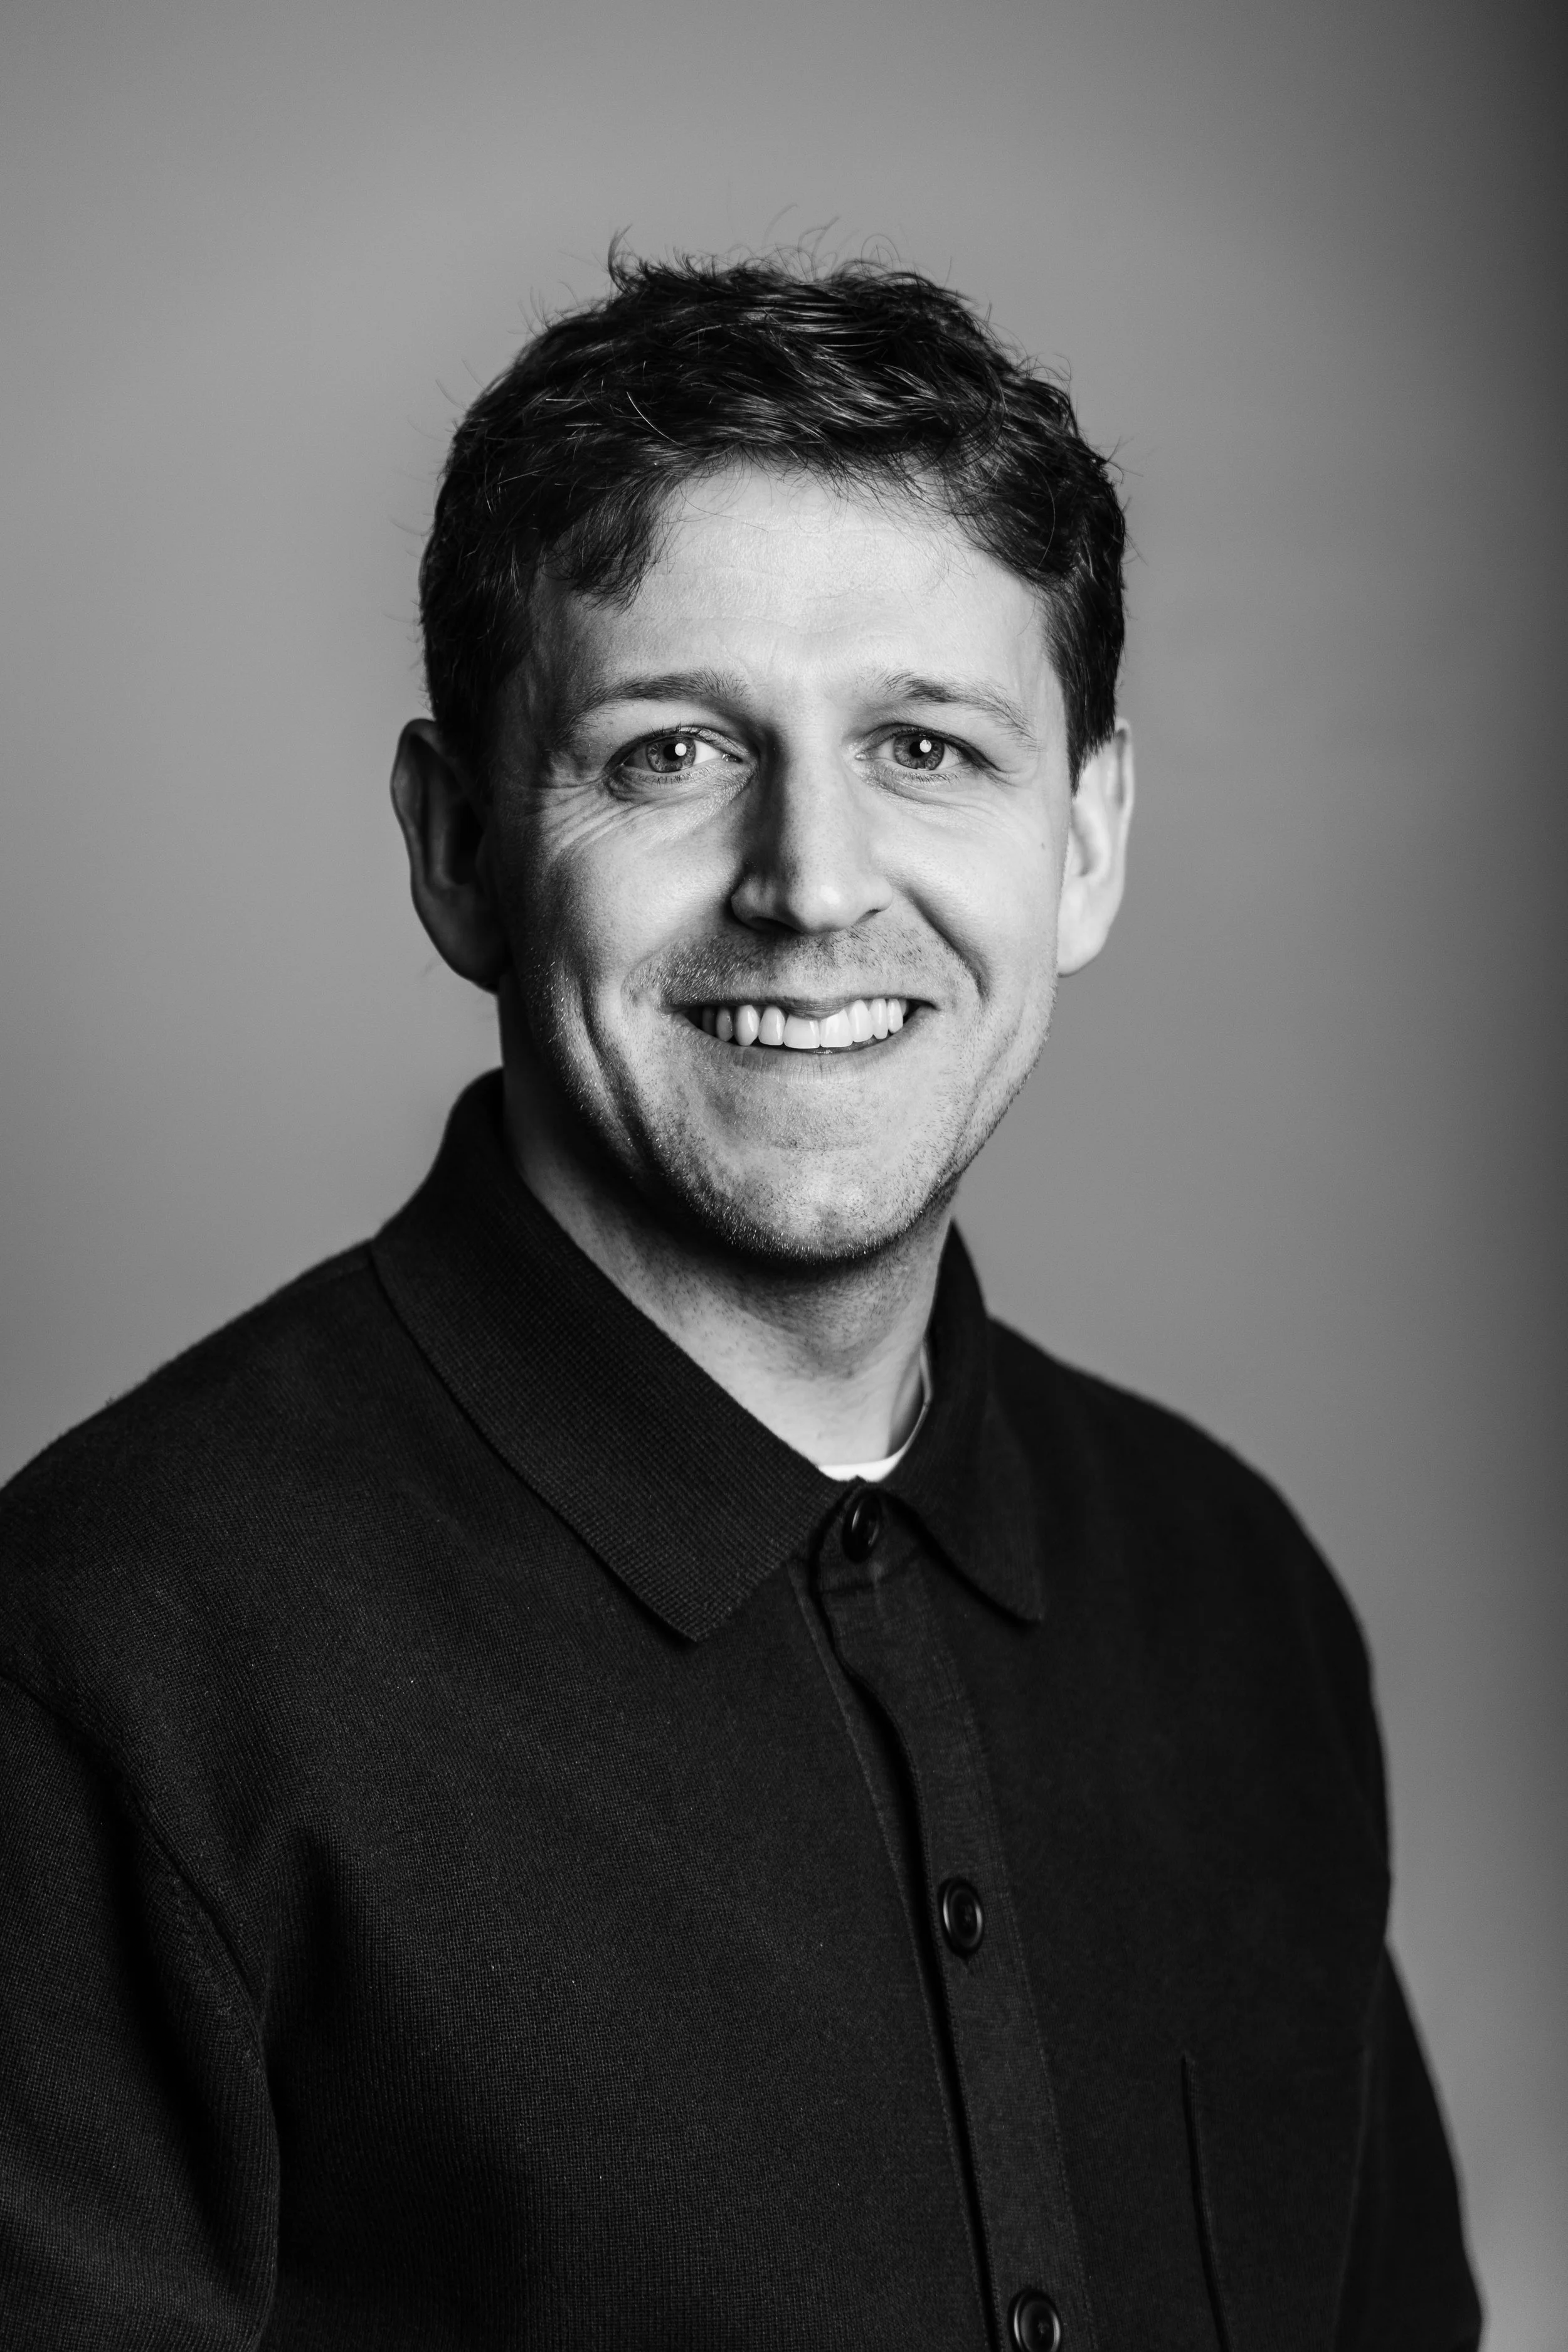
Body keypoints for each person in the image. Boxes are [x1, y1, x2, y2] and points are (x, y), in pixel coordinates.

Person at [0, 252, 1481, 2351]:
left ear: (1086, 842)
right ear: (456, 849)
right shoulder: (105, 1661)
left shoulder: (1238, 1598)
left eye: (926, 748)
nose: (812, 877)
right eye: (676, 747)